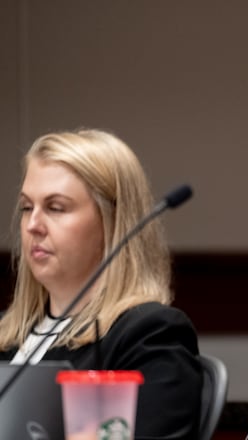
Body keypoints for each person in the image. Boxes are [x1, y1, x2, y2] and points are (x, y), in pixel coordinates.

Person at [0, 129, 203, 439]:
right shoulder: (5, 333)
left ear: (113, 222)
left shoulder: (149, 335)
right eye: (27, 207)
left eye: (56, 208)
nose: (33, 225)